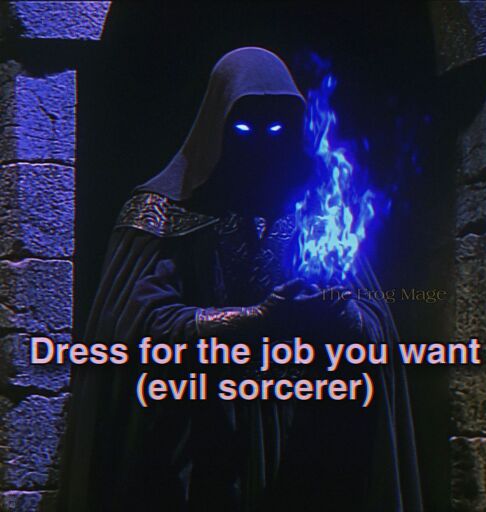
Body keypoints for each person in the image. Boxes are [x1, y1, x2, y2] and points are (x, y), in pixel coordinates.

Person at [59, 47, 423, 512]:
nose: (262, 144)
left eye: (276, 130)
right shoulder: (164, 211)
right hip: (202, 430)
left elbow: (375, 325)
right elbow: (137, 327)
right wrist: (255, 318)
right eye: (245, 129)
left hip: (306, 429)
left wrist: (341, 313)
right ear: (218, 122)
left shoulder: (320, 211)